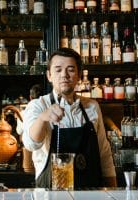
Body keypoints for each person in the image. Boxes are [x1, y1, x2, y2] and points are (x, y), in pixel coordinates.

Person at [22, 48, 117, 189]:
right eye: (58, 70)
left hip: (91, 192)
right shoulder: (38, 105)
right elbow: (31, 144)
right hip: (51, 193)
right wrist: (43, 118)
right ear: (49, 75)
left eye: (71, 70)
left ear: (78, 75)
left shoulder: (92, 106)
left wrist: (112, 189)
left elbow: (104, 153)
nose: (64, 75)